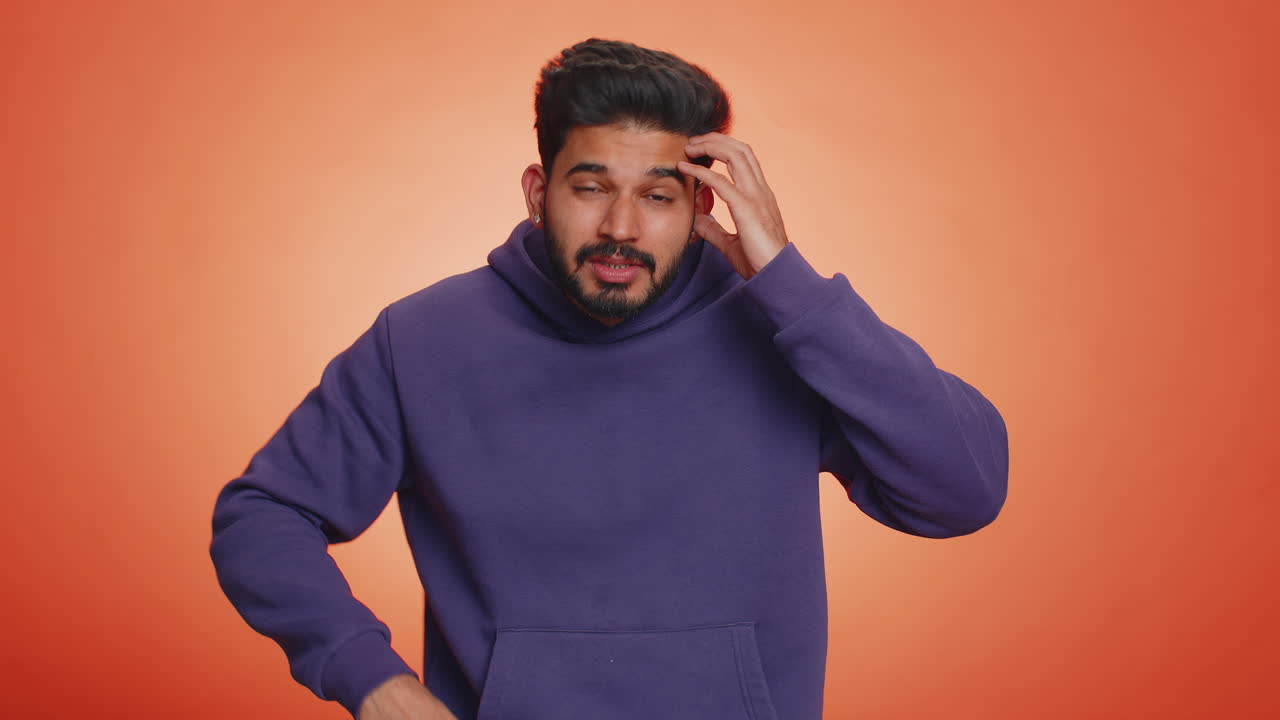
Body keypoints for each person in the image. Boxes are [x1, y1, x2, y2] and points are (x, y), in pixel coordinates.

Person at [210, 37, 1009, 720]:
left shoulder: (785, 333)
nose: (621, 229)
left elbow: (964, 490)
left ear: (702, 203)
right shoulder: (421, 340)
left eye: (658, 197)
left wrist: (790, 284)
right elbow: (264, 514)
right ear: (537, 191)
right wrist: (371, 679)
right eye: (591, 188)